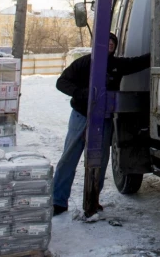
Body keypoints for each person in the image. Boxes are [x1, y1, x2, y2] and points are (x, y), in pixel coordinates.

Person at [51, 33, 150, 215]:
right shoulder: (84, 63)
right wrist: (81, 93)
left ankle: (92, 200)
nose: (110, 45)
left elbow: (138, 62)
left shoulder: (117, 65)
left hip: (104, 120)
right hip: (81, 116)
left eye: (113, 43)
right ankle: (58, 201)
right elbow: (61, 82)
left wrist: (158, 52)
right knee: (69, 159)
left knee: (100, 162)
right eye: (107, 42)